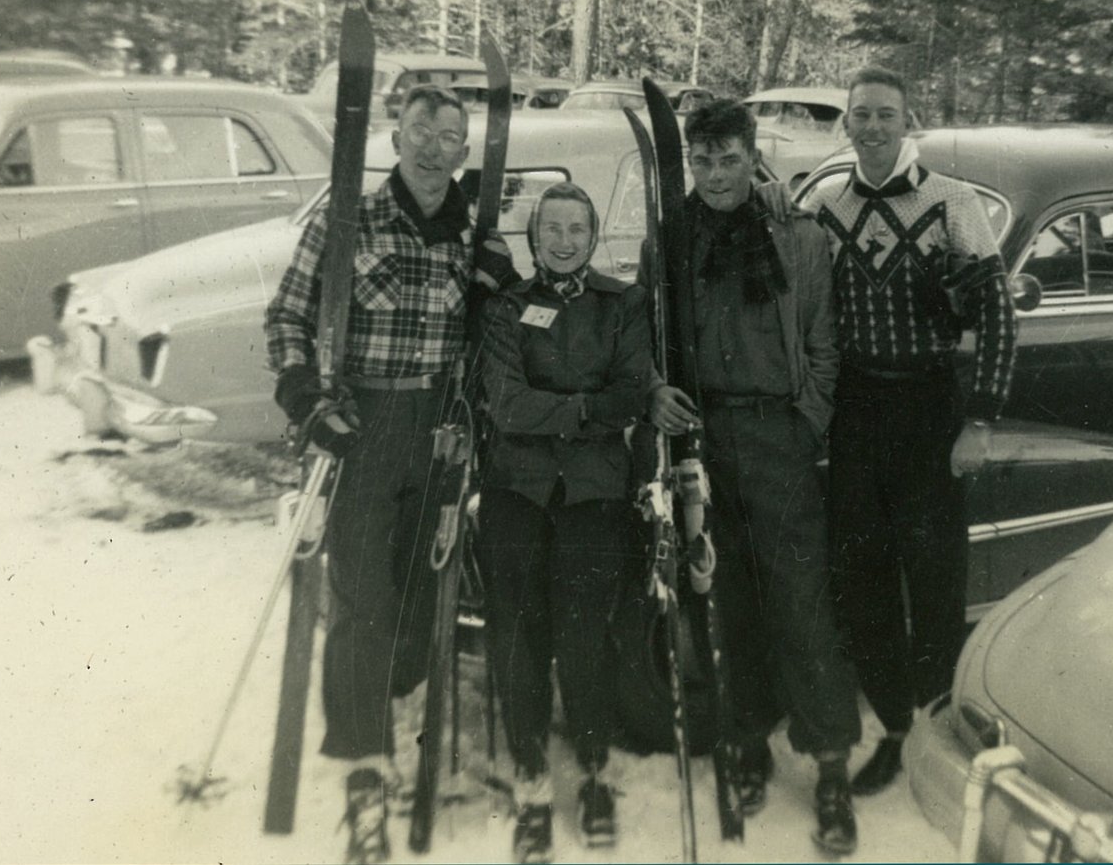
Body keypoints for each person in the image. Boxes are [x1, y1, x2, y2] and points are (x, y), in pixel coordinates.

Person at [264, 83, 516, 864]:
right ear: (396, 137)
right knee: (362, 600)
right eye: (419, 131)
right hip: (364, 425)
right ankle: (365, 771)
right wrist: (305, 394)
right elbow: (287, 315)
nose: (433, 148)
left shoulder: (472, 237)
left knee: (417, 603)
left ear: (463, 151)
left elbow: (498, 334)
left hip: (439, 430)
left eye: (448, 137)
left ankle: (386, 699)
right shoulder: (350, 222)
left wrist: (499, 287)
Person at [648, 98, 862, 855]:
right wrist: (656, 390)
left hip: (778, 436)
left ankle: (830, 764)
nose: (714, 175)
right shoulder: (670, 238)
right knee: (724, 597)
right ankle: (747, 742)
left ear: (752, 156)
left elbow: (824, 343)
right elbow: (648, 334)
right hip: (702, 438)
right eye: (702, 161)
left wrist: (806, 424)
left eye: (729, 160)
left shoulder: (796, 235)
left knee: (800, 601)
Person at [812, 67, 1017, 796]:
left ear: (908, 123)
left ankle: (937, 728)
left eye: (885, 115)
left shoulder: (952, 202)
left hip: (929, 409)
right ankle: (897, 729)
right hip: (856, 410)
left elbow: (998, 317)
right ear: (846, 124)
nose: (872, 127)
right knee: (862, 578)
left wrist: (980, 420)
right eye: (861, 114)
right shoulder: (826, 207)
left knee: (934, 580)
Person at [477, 182, 651, 864]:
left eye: (577, 228)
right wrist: (584, 410)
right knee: (518, 638)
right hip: (516, 491)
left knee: (586, 636)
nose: (564, 241)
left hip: (593, 492)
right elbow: (506, 403)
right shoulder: (507, 306)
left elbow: (630, 393)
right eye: (551, 228)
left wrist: (560, 408)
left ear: (594, 234)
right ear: (533, 236)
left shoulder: (622, 303)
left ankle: (595, 772)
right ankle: (530, 782)